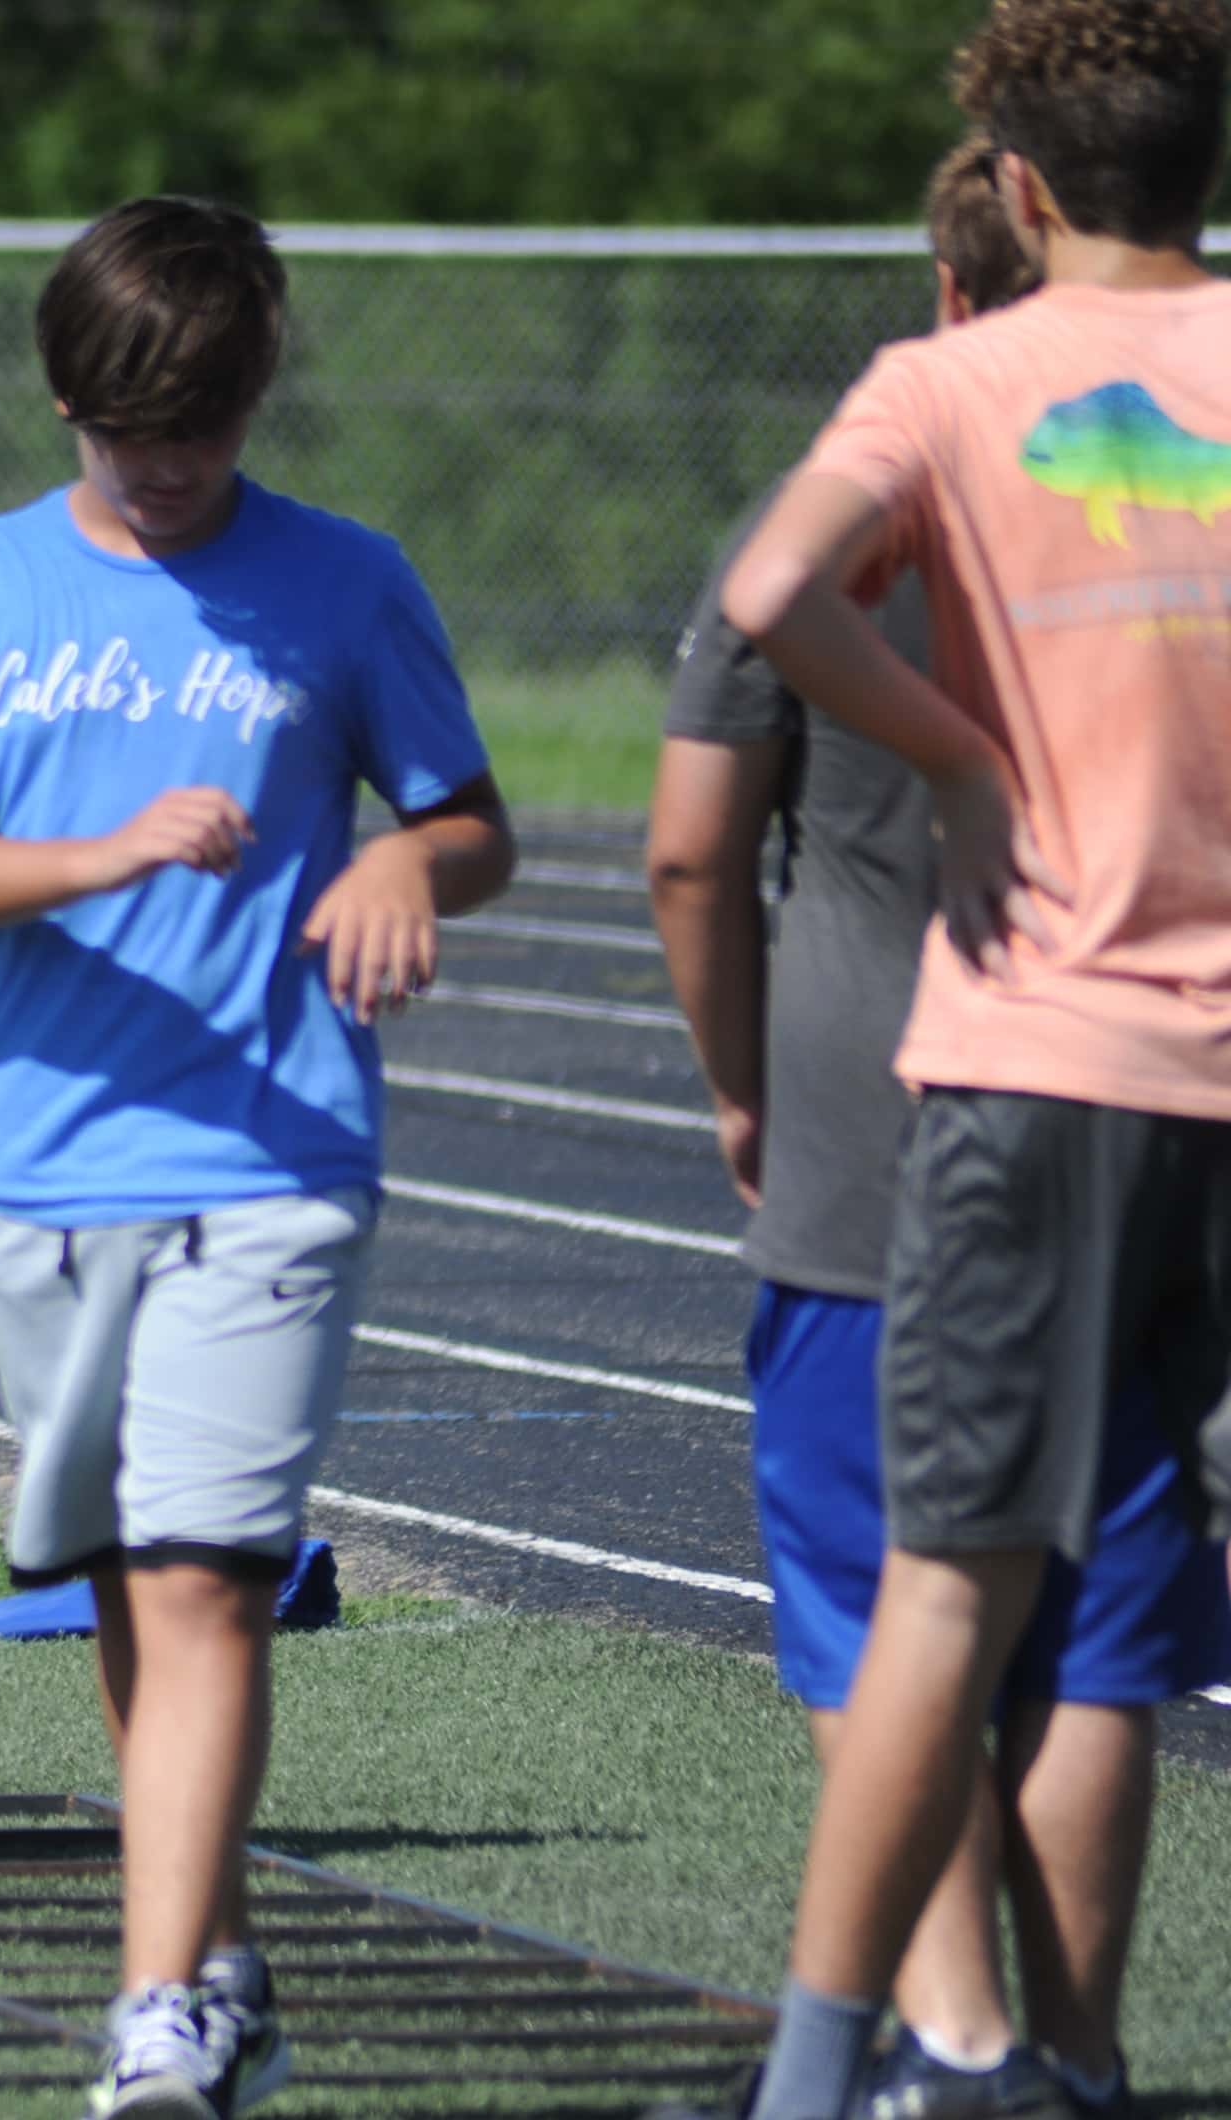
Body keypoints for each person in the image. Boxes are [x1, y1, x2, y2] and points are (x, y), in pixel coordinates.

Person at [0, 197, 515, 2119]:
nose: (169, 470)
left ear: (252, 399)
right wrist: (106, 852)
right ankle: (214, 1961)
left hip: (276, 1157)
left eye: (206, 431)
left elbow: (469, 820)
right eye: (136, 431)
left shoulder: (345, 579)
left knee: (210, 1575)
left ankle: (151, 2020)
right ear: (66, 393)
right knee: (131, 1591)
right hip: (46, 1174)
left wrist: (402, 857)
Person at [648, 130, 1227, 2120]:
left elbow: (684, 848)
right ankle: (1067, 2057)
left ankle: (936, 2050)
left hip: (875, 1123)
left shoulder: (885, 465)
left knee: (884, 1606)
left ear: (950, 273)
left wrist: (728, 1076)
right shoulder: (1185, 447)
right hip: (1165, 1081)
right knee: (1096, 1623)